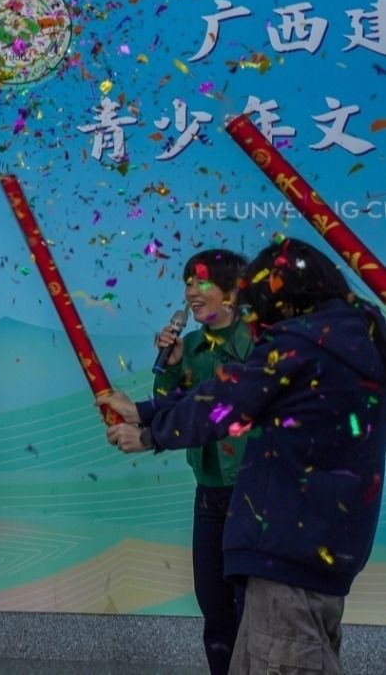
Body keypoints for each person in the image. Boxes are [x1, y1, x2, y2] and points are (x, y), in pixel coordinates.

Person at [102, 238, 386, 675]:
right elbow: (227, 387)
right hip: (319, 553)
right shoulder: (351, 343)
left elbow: (229, 400)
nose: (256, 320)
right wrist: (146, 411)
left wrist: (148, 434)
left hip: (286, 557)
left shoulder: (301, 345)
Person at [139, 249, 253, 675]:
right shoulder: (188, 346)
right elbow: (172, 409)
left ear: (232, 292)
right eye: (187, 282)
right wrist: (169, 367)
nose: (191, 292)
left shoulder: (258, 345)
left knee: (251, 605)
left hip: (252, 492)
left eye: (201, 282)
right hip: (208, 492)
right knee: (213, 601)